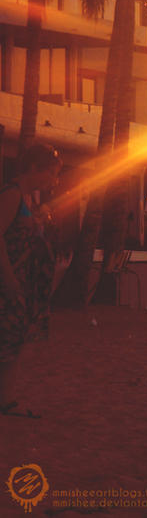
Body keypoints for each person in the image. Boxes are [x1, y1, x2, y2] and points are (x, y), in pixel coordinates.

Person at [0, 144, 63, 419]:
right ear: (35, 169)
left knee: (12, 342)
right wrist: (9, 279)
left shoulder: (26, 199)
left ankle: (6, 400)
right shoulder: (12, 195)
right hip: (9, 279)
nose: (53, 180)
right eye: (50, 173)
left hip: (20, 279)